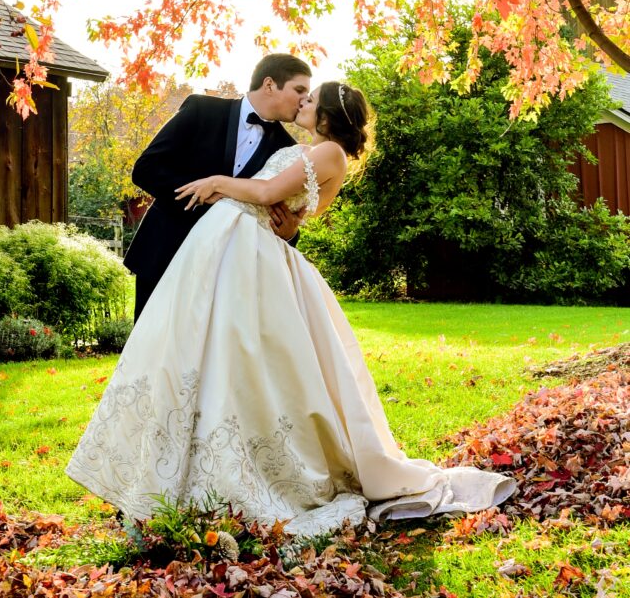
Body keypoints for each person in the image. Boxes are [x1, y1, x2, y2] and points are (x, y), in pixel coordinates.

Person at [66, 81, 515, 536]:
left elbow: (266, 195)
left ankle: (239, 469)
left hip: (244, 250)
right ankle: (172, 464)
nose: (303, 102)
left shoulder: (330, 154)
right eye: (302, 93)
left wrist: (217, 184)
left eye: (310, 98)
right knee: (197, 353)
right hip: (227, 244)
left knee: (237, 357)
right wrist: (276, 218)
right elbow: (285, 210)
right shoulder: (309, 149)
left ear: (327, 115)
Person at [124, 53, 312, 322]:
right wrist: (204, 196)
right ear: (269, 84)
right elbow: (146, 169)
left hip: (226, 273)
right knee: (147, 347)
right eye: (299, 90)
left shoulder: (288, 150)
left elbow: (279, 213)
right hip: (165, 252)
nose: (304, 100)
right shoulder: (202, 109)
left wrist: (291, 233)